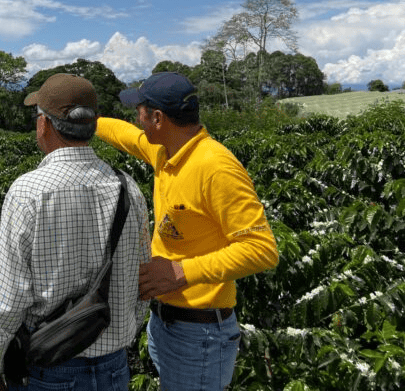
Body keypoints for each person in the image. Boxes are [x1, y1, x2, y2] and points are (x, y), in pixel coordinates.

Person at [95, 72, 279, 391]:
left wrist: (181, 272)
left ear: (157, 117)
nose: (136, 120)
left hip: (200, 336)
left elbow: (262, 249)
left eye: (139, 111)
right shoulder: (165, 152)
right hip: (166, 323)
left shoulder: (214, 167)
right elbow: (125, 135)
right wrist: (88, 120)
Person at [0, 73, 152, 391]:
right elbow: (144, 284)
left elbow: (3, 301)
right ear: (93, 125)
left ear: (44, 125)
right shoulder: (129, 188)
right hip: (115, 369)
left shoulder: (28, 192)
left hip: (50, 371)